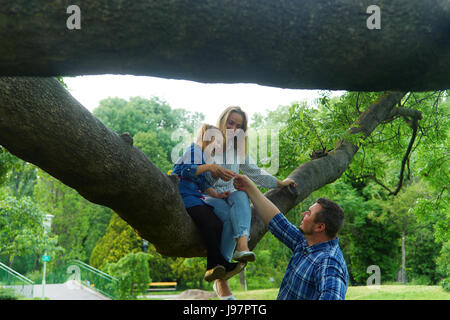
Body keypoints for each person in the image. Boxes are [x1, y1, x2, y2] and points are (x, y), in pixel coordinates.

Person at [205, 106, 297, 299]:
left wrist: (280, 183)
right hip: (209, 196)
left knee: (241, 194)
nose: (234, 128)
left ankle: (242, 247)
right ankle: (221, 280)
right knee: (231, 217)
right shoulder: (208, 142)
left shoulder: (238, 151)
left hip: (231, 197)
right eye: (231, 123)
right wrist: (216, 173)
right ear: (222, 121)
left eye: (239, 126)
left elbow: (255, 173)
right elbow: (195, 177)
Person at [233, 173, 349, 300]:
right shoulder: (306, 243)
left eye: (308, 214)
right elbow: (277, 222)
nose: (303, 214)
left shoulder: (329, 262)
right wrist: (249, 187)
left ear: (320, 227)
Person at [172, 124, 245, 282]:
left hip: (194, 196)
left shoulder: (203, 157)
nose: (218, 147)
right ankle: (215, 264)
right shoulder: (194, 150)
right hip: (183, 195)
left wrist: (218, 195)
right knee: (209, 221)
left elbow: (204, 184)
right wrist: (210, 167)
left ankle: (215, 264)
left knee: (218, 223)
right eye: (217, 142)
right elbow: (187, 171)